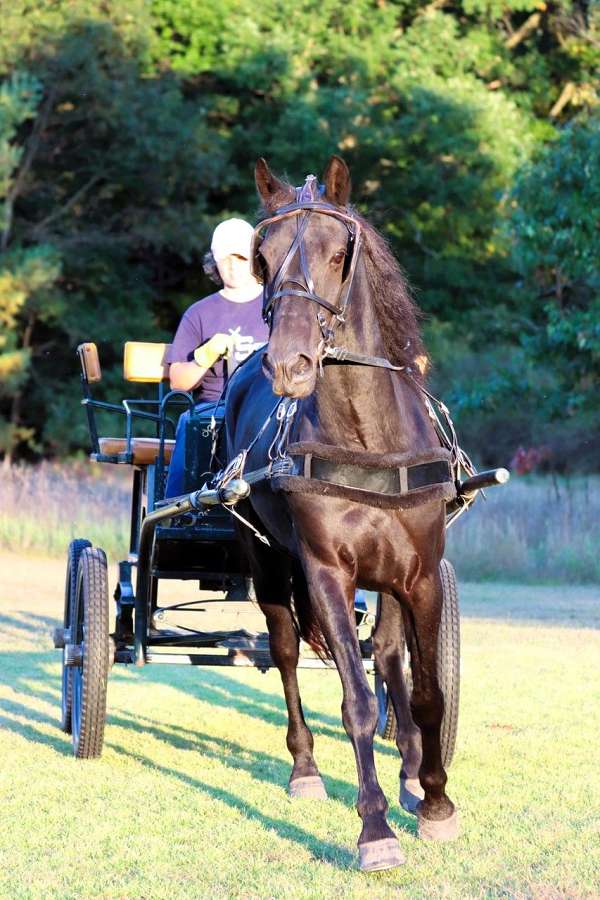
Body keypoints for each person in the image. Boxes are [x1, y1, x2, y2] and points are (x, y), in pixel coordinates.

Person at [164, 218, 268, 497]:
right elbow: (178, 382)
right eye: (225, 259)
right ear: (214, 261)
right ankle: (177, 511)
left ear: (255, 258)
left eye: (240, 257)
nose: (232, 266)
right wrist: (204, 357)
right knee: (191, 422)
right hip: (215, 408)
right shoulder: (199, 313)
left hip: (268, 408)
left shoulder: (277, 306)